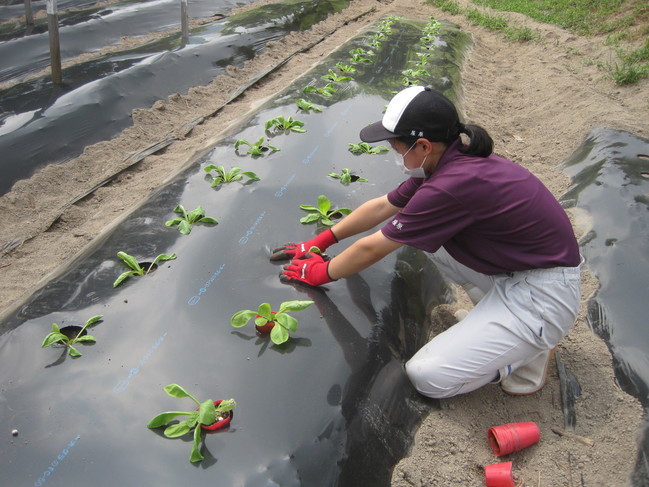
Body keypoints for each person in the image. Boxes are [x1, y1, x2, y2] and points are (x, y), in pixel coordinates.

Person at [271, 85, 582, 399]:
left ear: (422, 145)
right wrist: (318, 243)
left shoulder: (450, 185)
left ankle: (524, 354)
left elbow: (373, 247)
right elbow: (381, 206)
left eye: (396, 149)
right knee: (434, 243)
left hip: (542, 297)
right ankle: (494, 324)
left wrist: (319, 274)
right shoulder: (447, 164)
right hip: (518, 272)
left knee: (427, 376)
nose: (396, 156)